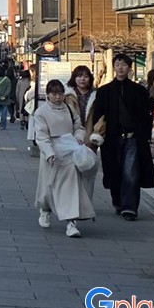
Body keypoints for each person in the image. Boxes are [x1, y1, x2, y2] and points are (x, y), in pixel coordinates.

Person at [92, 53, 154, 220]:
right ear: (113, 67)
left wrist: (146, 135)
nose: (120, 67)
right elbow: (98, 115)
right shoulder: (104, 91)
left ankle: (129, 207)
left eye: (124, 64)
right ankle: (118, 201)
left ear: (129, 68)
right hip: (111, 139)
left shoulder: (138, 91)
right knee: (114, 171)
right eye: (117, 64)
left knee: (131, 172)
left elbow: (145, 115)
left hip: (133, 137)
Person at [33, 78, 96, 238]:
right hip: (52, 152)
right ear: (48, 95)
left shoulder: (68, 108)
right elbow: (41, 136)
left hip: (69, 150)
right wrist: (49, 153)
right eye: (54, 94)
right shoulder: (41, 112)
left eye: (60, 94)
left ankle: (71, 223)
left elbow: (78, 126)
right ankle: (45, 210)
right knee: (48, 187)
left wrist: (79, 136)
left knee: (71, 187)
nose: (57, 97)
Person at [66, 65, 103, 198]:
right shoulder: (67, 95)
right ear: (74, 78)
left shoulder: (96, 95)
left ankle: (86, 202)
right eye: (79, 76)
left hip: (89, 138)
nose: (83, 79)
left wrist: (97, 133)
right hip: (71, 138)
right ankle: (72, 201)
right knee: (71, 171)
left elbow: (102, 117)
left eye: (86, 76)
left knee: (88, 171)